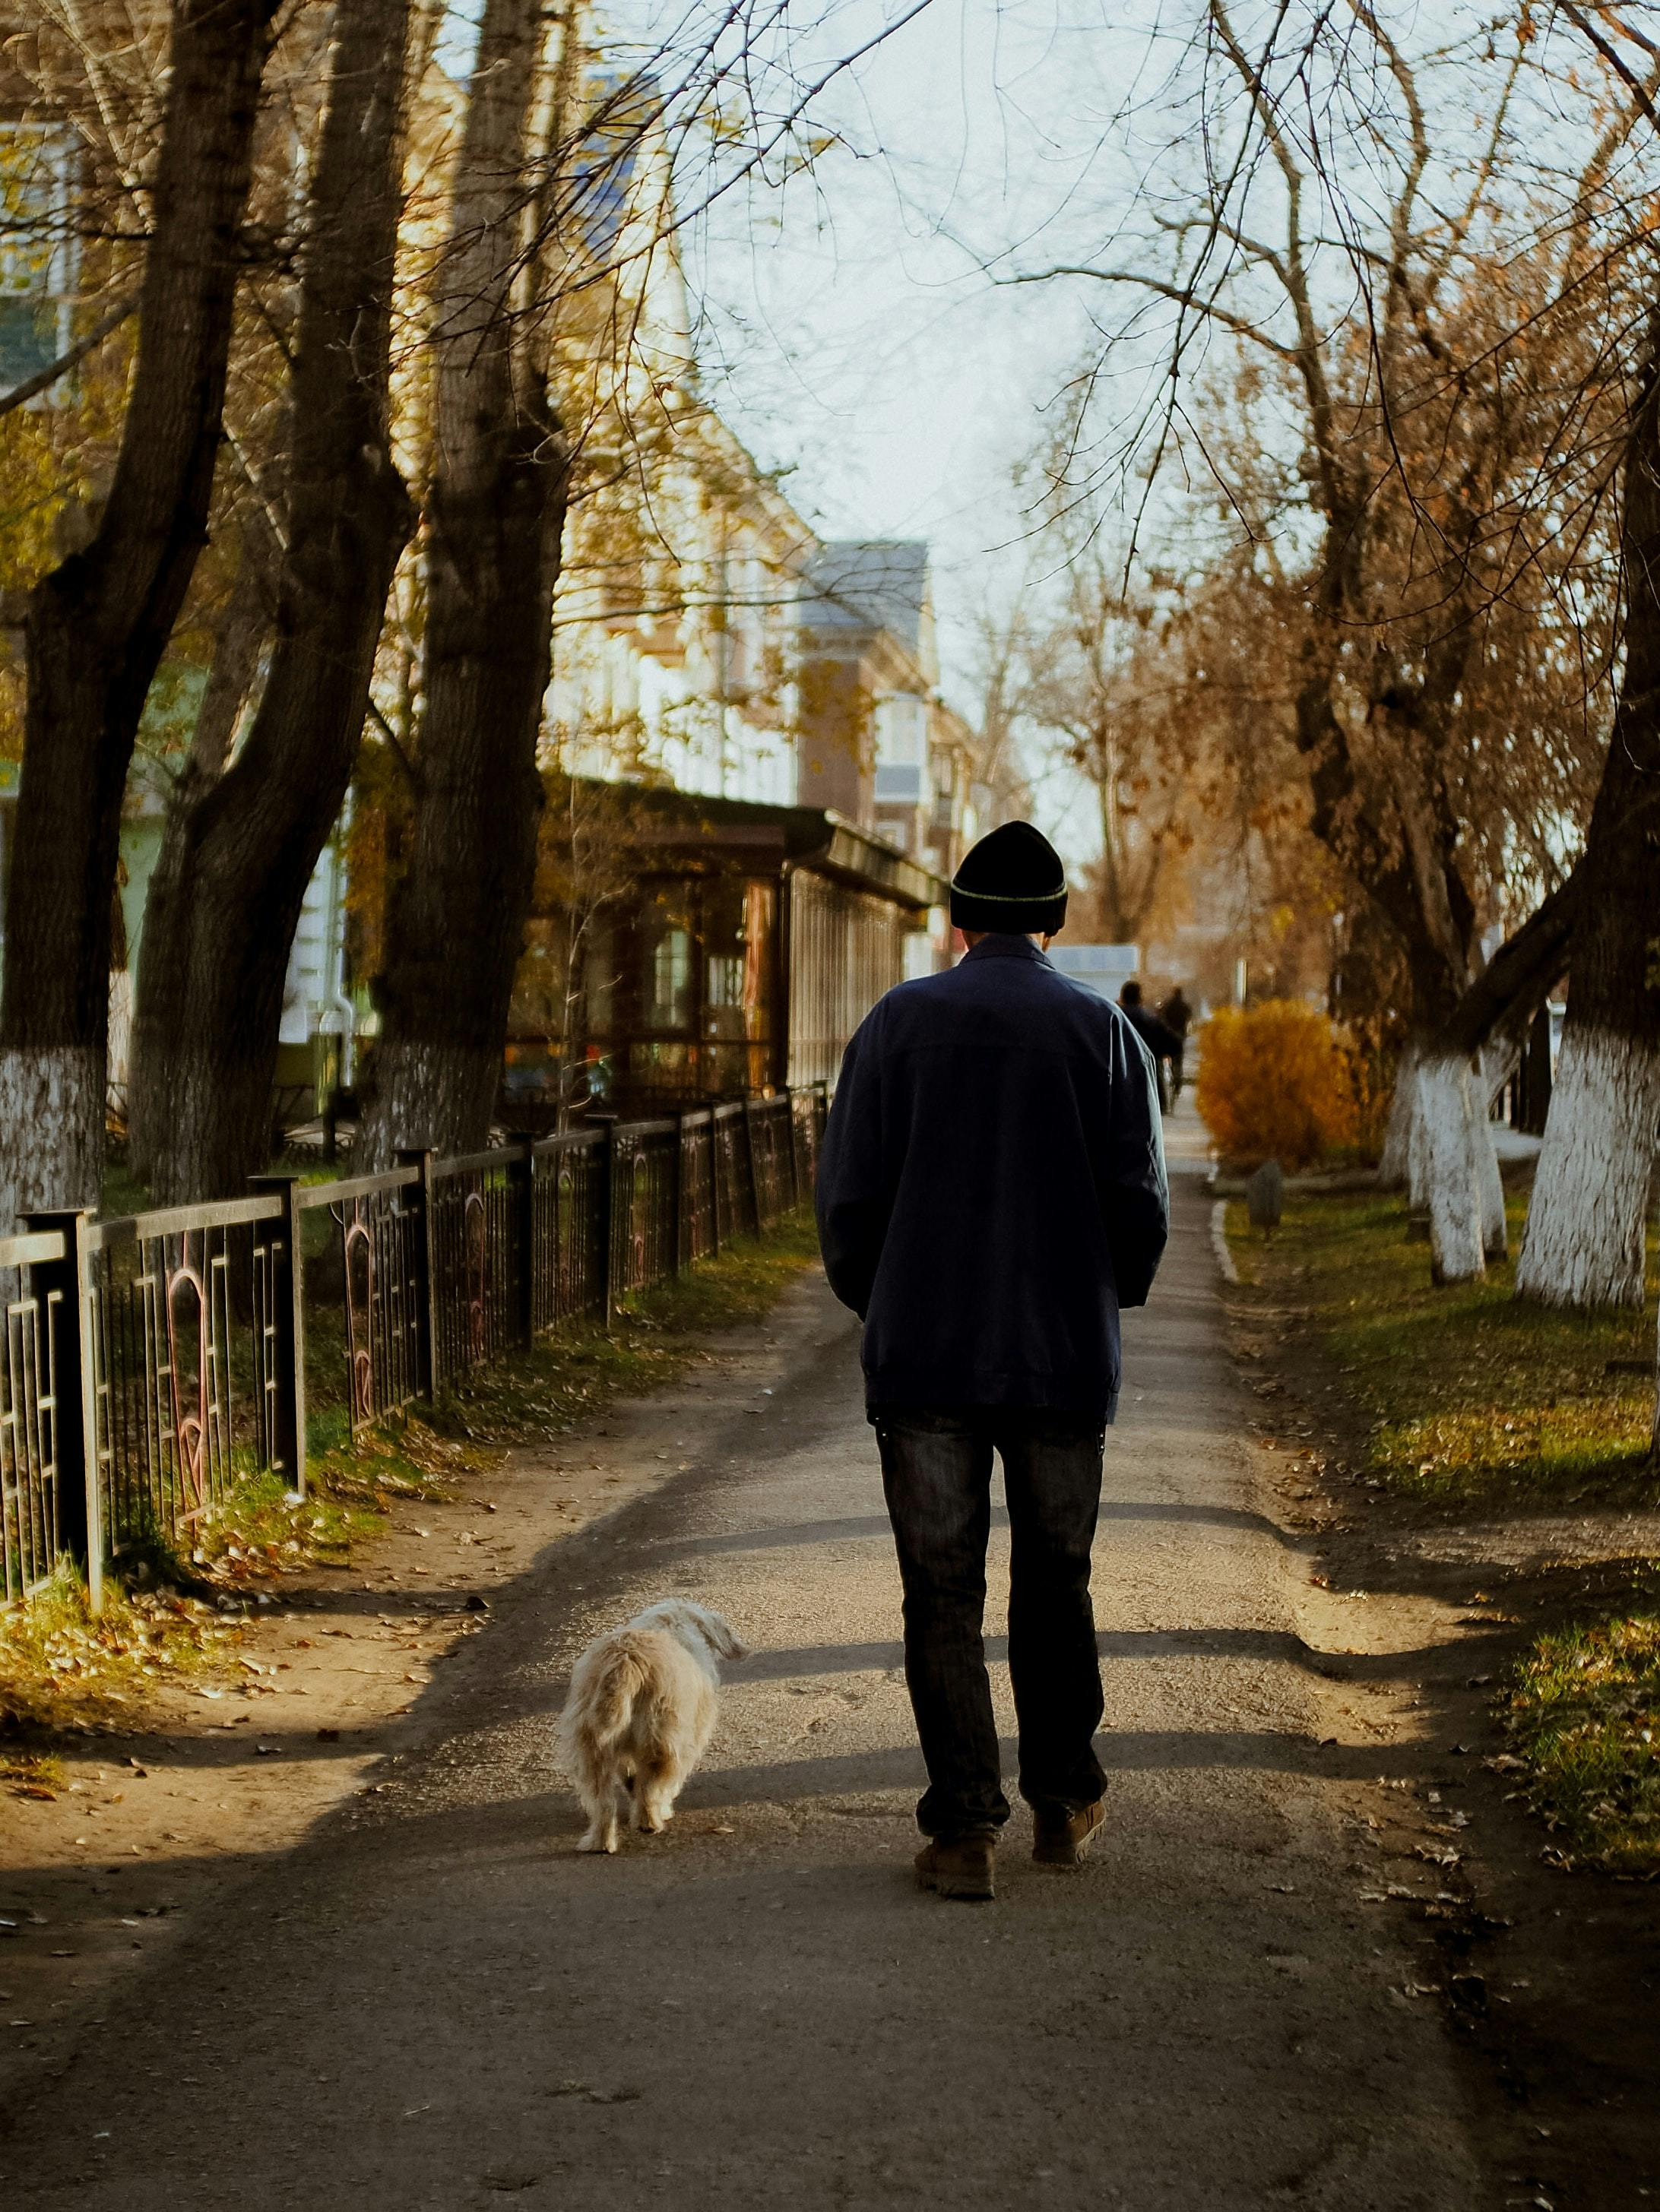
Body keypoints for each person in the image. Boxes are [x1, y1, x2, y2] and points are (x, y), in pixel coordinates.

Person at [815, 821, 1170, 1903]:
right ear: (1057, 922)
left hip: (923, 1356)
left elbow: (847, 1200)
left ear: (961, 920)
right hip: (1060, 1354)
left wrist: (890, 1301)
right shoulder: (1104, 1034)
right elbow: (1140, 1210)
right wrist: (1100, 1295)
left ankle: (965, 1828)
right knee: (1055, 1580)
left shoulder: (896, 1024)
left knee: (942, 1590)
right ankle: (1062, 1800)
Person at [1117, 980, 1183, 1112]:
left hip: (1118, 1084)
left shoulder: (1113, 1018)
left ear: (1122, 997)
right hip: (1148, 1084)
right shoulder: (1150, 1020)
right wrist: (1159, 1053)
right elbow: (1175, 1044)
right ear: (1140, 998)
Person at [1157, 985, 1193, 1101]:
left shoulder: (1168, 1005)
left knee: (1170, 1058)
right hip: (1180, 1036)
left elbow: (1162, 1018)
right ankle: (1178, 1084)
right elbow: (1189, 1019)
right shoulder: (1184, 1006)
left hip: (1169, 1035)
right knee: (1179, 1059)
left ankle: (1173, 1074)